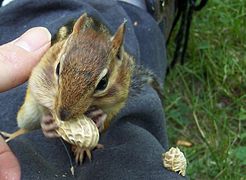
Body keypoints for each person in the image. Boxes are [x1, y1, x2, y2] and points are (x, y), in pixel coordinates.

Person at [0, 0, 186, 179]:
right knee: (26, 118)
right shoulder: (56, 54)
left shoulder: (119, 76)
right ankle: (135, 8)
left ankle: (19, 6)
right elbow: (37, 83)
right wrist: (47, 110)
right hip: (51, 91)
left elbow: (116, 103)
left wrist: (99, 122)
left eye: (101, 84)